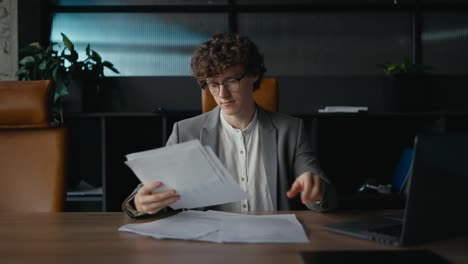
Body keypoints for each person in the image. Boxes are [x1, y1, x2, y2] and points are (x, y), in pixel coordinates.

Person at [123, 33, 338, 218]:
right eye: (213, 84)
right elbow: (153, 187)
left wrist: (316, 192)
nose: (222, 94)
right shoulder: (185, 132)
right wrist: (139, 204)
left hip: (274, 243)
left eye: (231, 81)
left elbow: (325, 194)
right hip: (210, 245)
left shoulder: (291, 130)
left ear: (254, 75)